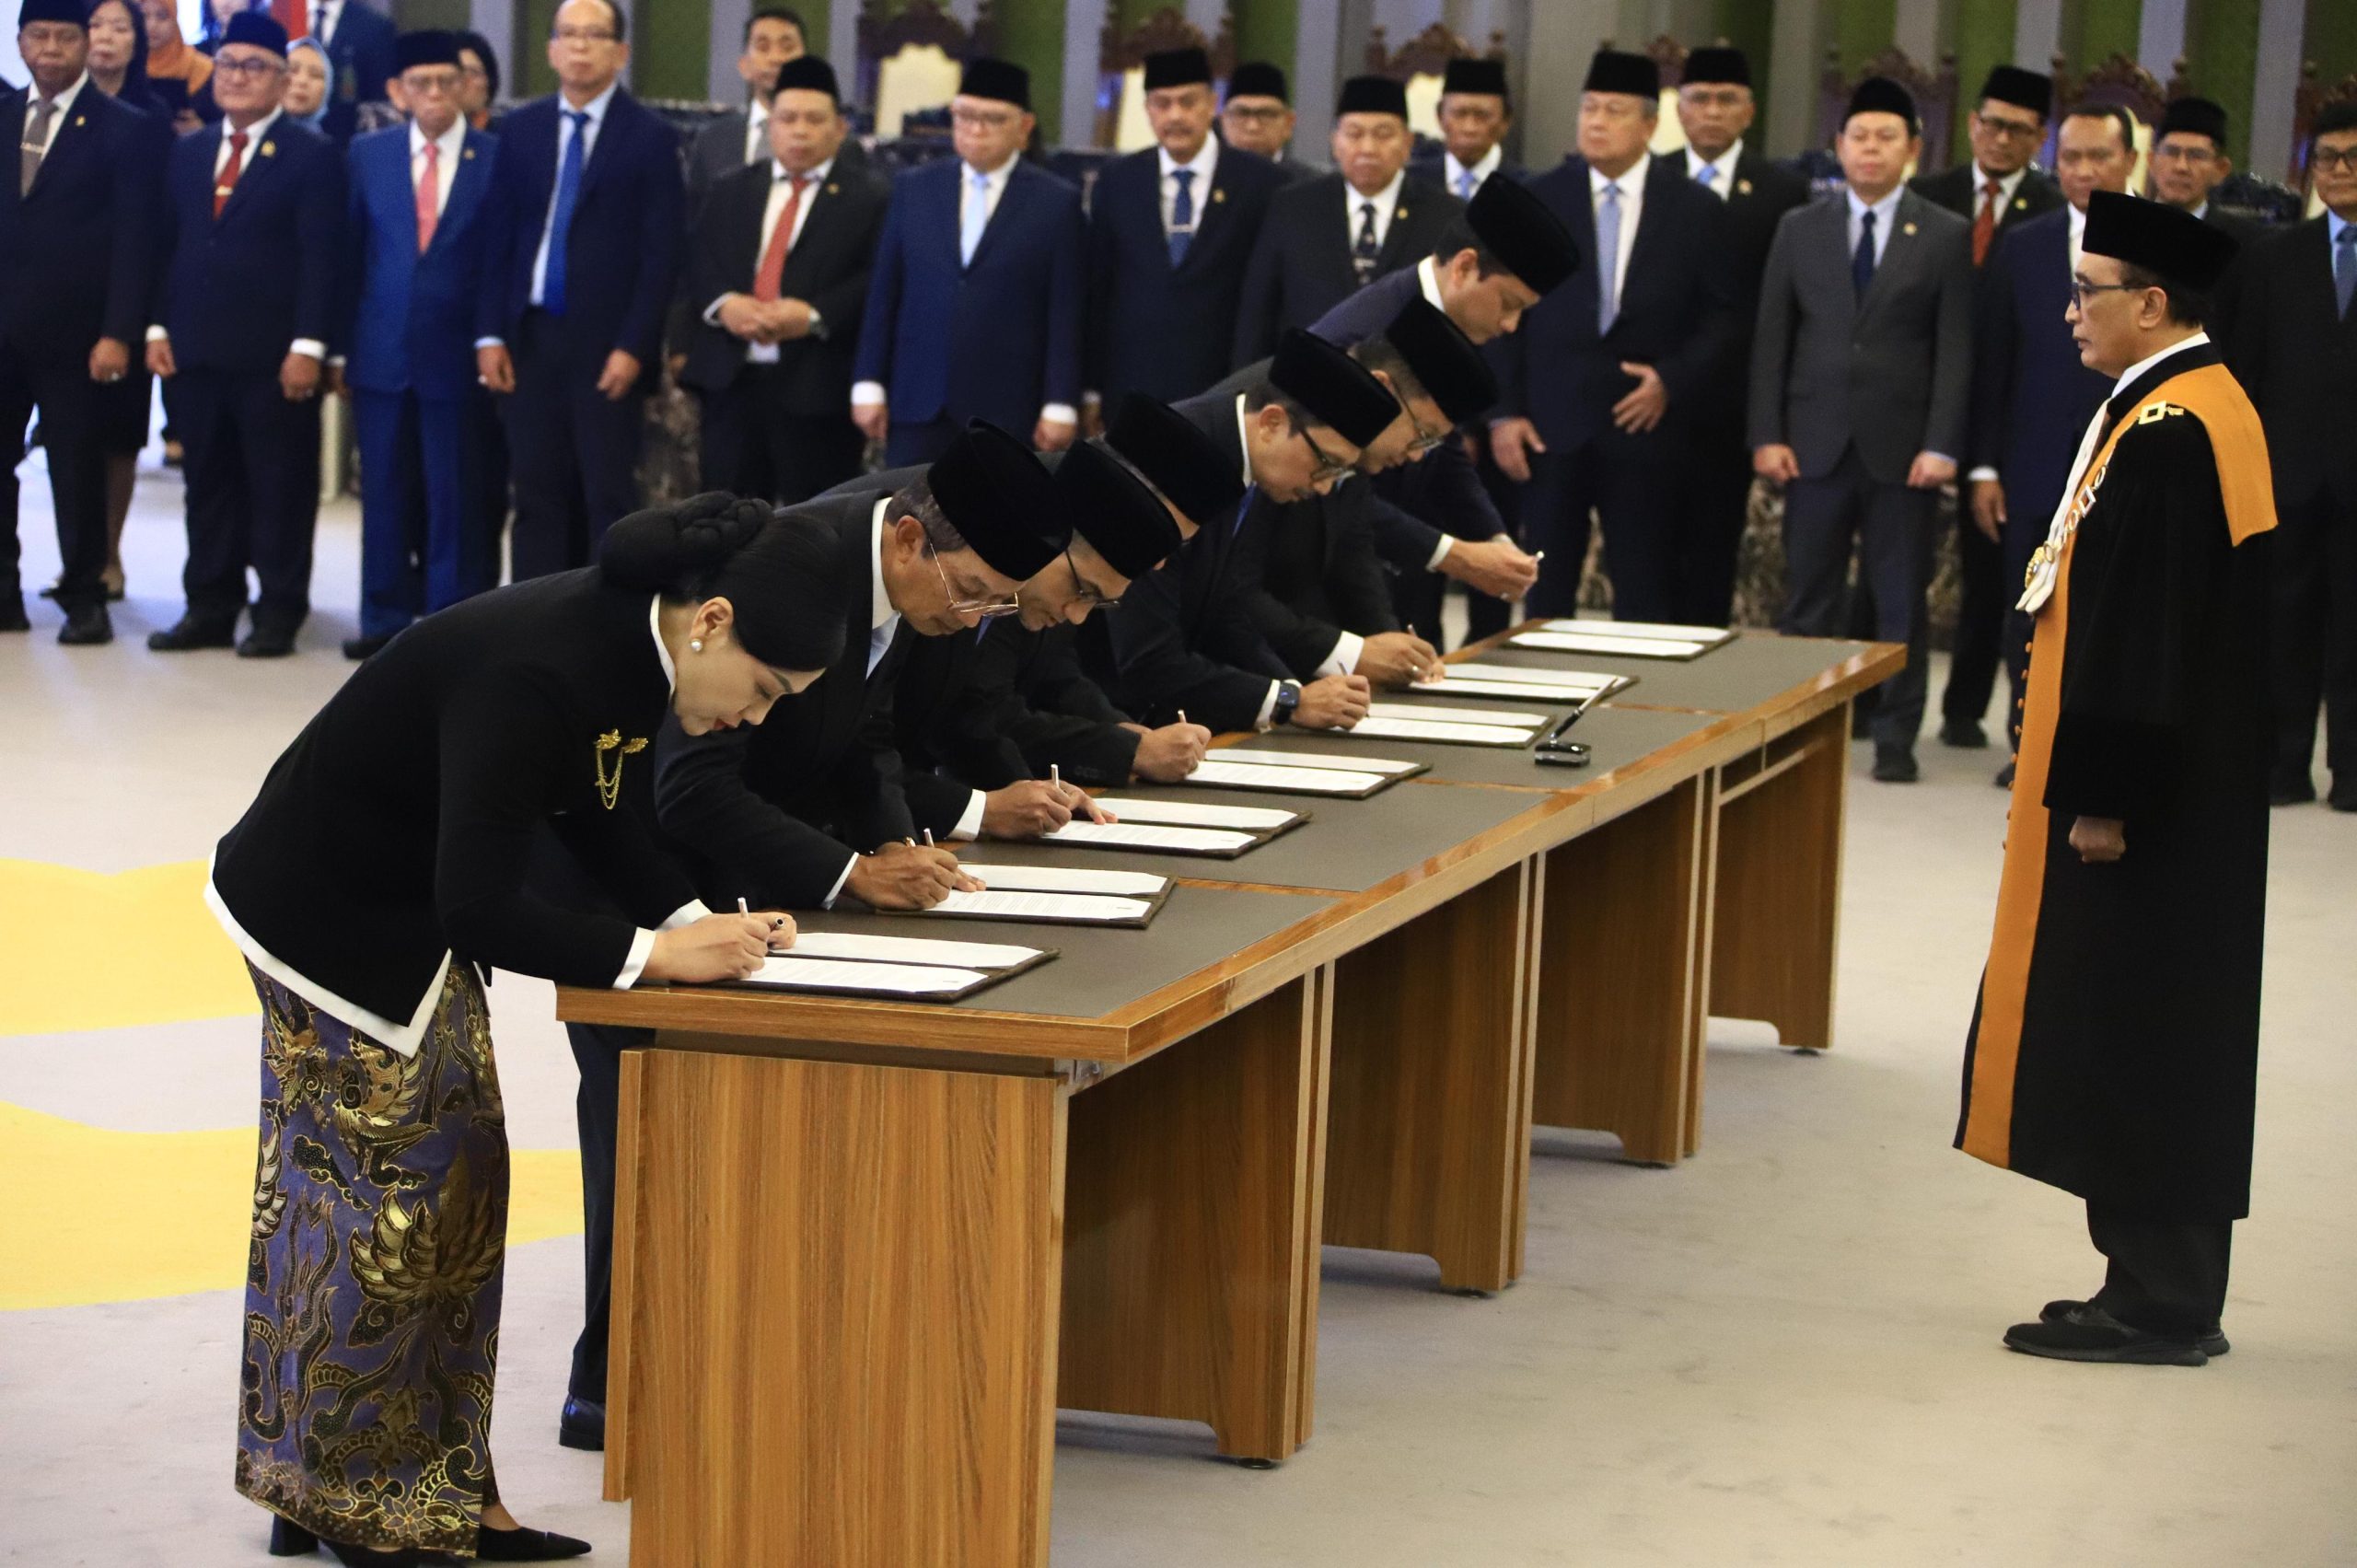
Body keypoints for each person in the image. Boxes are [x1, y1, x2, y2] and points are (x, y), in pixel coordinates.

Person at [214, 492, 842, 1565]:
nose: (756, 716)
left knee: (444, 1182)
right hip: (327, 908)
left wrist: (692, 920)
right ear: (714, 621)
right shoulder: (545, 665)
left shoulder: (630, 643)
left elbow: (595, 809)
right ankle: (365, 1507)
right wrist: (652, 956)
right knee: (394, 1197)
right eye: (766, 689)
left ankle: (388, 1488)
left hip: (396, 898)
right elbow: (478, 903)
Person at [555, 427, 1062, 1453]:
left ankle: (722, 1372)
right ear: (911, 542)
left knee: (737, 1146)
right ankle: (610, 1388)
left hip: (740, 883)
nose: (975, 618)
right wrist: (847, 874)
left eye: (997, 605)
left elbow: (865, 731)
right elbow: (688, 785)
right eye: (973, 593)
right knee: (644, 1129)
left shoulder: (903, 586)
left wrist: (889, 841)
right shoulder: (795, 570)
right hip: (631, 870)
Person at [1958, 192, 2270, 1367]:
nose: (2070, 311)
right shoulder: (2192, 402)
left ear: (2151, 302)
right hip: (2194, 788)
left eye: (2087, 292)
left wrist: (2102, 795)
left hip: (2150, 800)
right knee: (2161, 1024)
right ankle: (2155, 1282)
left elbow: (2140, 631)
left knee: (2140, 1027)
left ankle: (2157, 1300)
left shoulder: (2170, 433)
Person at [1749, 76, 1970, 784]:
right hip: (1812, 442)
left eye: (1886, 138)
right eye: (1859, 137)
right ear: (1839, 146)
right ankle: (1799, 726)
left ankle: (1896, 735)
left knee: (1900, 599)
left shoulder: (1945, 233)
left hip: (1904, 450)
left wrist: (1942, 443)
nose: (1871, 150)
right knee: (1807, 596)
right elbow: (1773, 337)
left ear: (1913, 149)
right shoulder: (1799, 227)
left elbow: (1955, 348)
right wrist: (1767, 432)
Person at [887, 393, 1238, 800]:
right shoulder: (1001, 530)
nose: (1159, 563)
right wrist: (1011, 799)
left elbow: (1052, 669)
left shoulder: (1068, 562)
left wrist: (1124, 733)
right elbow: (971, 709)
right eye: (1166, 535)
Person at [1486, 47, 1733, 623]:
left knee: (1645, 591)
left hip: (1644, 426)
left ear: (1649, 124)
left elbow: (1723, 317)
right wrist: (1504, 412)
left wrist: (1671, 379)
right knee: (1545, 590)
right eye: (1589, 108)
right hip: (1551, 425)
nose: (1596, 122)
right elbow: (1499, 311)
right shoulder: (1538, 197)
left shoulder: (1695, 208)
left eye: (1614, 111)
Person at [145, 13, 343, 657]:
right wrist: (156, 325)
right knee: (207, 483)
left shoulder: (313, 155)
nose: (236, 77)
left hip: (274, 355)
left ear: (283, 80)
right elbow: (166, 245)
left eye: (254, 66)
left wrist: (309, 345)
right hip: (195, 347)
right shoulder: (189, 150)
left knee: (278, 486)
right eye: (227, 64)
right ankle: (209, 604)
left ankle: (278, 608)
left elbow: (323, 258)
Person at [1309, 173, 1575, 643]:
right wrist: (1454, 554)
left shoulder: (1445, 321)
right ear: (1465, 267)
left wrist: (1493, 539)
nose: (1511, 325)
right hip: (1326, 589)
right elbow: (1331, 485)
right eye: (1509, 303)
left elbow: (1442, 443)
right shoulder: (1365, 337)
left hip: (1395, 572)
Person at [1089, 328, 1396, 733]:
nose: (1324, 488)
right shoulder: (1174, 456)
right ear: (1272, 422)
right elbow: (1146, 654)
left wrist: (1292, 692)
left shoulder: (1254, 461)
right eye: (1327, 464)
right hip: (1092, 709)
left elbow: (1227, 606)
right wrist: (1287, 702)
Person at [476, 0, 685, 579]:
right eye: (568, 34)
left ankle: (604, 617)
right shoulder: (520, 128)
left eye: (595, 35)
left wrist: (634, 345)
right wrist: (490, 334)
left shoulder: (650, 137)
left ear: (620, 52)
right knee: (535, 491)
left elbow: (662, 255)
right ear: (551, 50)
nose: (580, 46)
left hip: (608, 346)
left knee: (606, 496)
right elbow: (496, 241)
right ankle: (534, 613)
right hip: (530, 338)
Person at [1965, 103, 2135, 777]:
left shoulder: (2156, 243)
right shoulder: (2025, 242)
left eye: (2099, 156)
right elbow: (1995, 363)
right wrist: (1983, 466)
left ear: (2130, 161)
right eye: (2071, 157)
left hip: (2122, 457)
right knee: (2028, 608)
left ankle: (2093, 755)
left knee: (2108, 613)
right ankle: (2028, 747)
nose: (2084, 170)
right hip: (2031, 462)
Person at [338, 30, 504, 661]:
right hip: (380, 349)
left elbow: (501, 261)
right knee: (382, 490)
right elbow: (350, 253)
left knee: (453, 493)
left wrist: (492, 337)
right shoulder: (368, 154)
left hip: (459, 354)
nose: (435, 93)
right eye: (421, 83)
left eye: (446, 81)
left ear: (466, 87)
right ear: (397, 91)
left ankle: (449, 622)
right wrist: (338, 349)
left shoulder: (495, 157)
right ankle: (383, 616)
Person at [1, 0, 159, 645]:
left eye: (65, 37)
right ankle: (3, 592)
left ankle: (85, 596)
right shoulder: (3, 115)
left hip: (80, 334)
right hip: (2, 329)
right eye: (37, 36)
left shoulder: (126, 128)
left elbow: (136, 240)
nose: (50, 49)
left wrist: (118, 332)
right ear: (19, 42)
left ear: (86, 43)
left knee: (76, 467)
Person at [1914, 64, 2061, 753]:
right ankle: (1878, 699)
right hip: (1927, 406)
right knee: (1900, 568)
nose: (2002, 139)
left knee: (1990, 572)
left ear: (2039, 139)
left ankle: (1965, 708)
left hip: (2006, 411)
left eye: (2020, 130)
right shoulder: (1928, 195)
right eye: (1993, 124)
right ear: (1972, 125)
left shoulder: (2053, 212)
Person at [1238, 298, 1495, 686]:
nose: (1416, 456)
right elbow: (1235, 595)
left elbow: (1351, 548)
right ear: (1384, 387)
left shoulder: (1355, 430)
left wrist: (1392, 645)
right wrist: (1348, 657)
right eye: (1422, 434)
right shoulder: (1289, 416)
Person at [851, 57, 1083, 467]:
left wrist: (1059, 402)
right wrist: (868, 381)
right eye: (965, 116)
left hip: (1007, 407)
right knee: (906, 503)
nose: (976, 129)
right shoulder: (914, 189)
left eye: (993, 119)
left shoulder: (1056, 202)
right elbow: (885, 292)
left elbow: (1065, 311)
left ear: (1024, 127)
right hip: (917, 400)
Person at [676, 53, 884, 505]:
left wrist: (814, 315)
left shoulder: (871, 198)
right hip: (733, 383)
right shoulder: (731, 189)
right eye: (788, 119)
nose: (800, 131)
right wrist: (724, 305)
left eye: (814, 119)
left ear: (840, 129)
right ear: (770, 126)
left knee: (815, 525)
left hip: (818, 390)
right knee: (722, 519)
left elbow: (878, 280)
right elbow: (699, 260)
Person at [2230, 101, 2357, 810]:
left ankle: (2353, 770)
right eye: (2327, 158)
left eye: (2353, 158)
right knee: (2284, 624)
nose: (2339, 170)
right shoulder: (2276, 255)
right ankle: (2283, 764)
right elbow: (2246, 368)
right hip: (2286, 473)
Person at [1670, 44, 1810, 626]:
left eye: (1726, 100)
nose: (1712, 111)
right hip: (1655, 400)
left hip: (1735, 404)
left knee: (1713, 554)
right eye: (1699, 98)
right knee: (1648, 557)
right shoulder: (1652, 179)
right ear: (1678, 108)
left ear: (1749, 112)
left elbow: (1787, 308)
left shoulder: (1783, 192)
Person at [1082, 45, 1285, 414]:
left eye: (1188, 102)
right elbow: (1099, 287)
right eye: (1162, 104)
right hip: (1130, 386)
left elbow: (1266, 296)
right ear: (1147, 109)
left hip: (1223, 388)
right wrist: (1092, 388)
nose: (1175, 115)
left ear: (1212, 104)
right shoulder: (1118, 180)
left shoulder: (1261, 183)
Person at [1231, 75, 1460, 365]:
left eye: (1383, 134)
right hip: (1307, 376)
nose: (1367, 148)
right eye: (1354, 133)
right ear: (1335, 142)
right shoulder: (1294, 207)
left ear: (1407, 143)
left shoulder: (1444, 214)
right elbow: (1258, 310)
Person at [2145, 96, 2261, 340]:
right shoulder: (2125, 230)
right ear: (2151, 161)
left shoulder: (2245, 244)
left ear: (2221, 170)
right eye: (2171, 152)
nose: (2181, 167)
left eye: (2196, 155)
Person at [1410, 55, 1519, 203]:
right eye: (1459, 114)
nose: (1469, 128)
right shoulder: (1410, 183)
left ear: (1505, 121)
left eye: (1482, 116)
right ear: (1440, 117)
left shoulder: (1526, 189)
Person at [297, 0, 394, 145]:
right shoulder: (278, 13)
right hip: (282, 145)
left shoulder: (375, 27)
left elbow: (379, 101)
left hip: (345, 144)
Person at [1221, 60, 1309, 181]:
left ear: (1289, 123)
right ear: (1223, 121)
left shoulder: (1310, 184)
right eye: (1242, 113)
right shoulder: (1206, 181)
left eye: (1266, 114)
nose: (1253, 126)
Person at [138, 0, 212, 126]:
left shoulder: (202, 67)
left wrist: (202, 130)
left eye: (162, 17)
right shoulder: (125, 65)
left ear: (174, 20)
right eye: (144, 16)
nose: (152, 25)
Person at [279, 32, 328, 133]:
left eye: (315, 75)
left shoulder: (325, 143)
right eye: (292, 70)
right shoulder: (249, 135)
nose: (302, 81)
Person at [453, 28, 499, 132]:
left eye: (472, 73)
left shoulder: (507, 136)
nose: (462, 82)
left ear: (489, 82)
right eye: (455, 74)